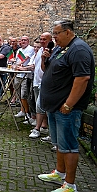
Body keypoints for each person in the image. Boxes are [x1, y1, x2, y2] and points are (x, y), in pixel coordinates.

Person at [38, 20, 94, 192]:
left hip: (67, 109)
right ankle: (59, 173)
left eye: (56, 33)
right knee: (59, 144)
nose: (53, 37)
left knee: (69, 146)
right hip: (55, 106)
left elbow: (82, 78)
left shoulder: (78, 49)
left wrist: (69, 104)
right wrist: (44, 58)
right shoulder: (61, 48)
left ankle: (70, 185)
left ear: (68, 32)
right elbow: (47, 71)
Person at [14, 36, 34, 119]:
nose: (23, 41)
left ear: (28, 41)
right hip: (17, 74)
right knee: (18, 94)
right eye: (22, 40)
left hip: (25, 75)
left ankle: (27, 113)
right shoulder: (19, 50)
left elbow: (26, 58)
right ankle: (22, 110)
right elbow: (17, 60)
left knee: (24, 95)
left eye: (25, 40)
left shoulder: (30, 49)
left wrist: (18, 65)